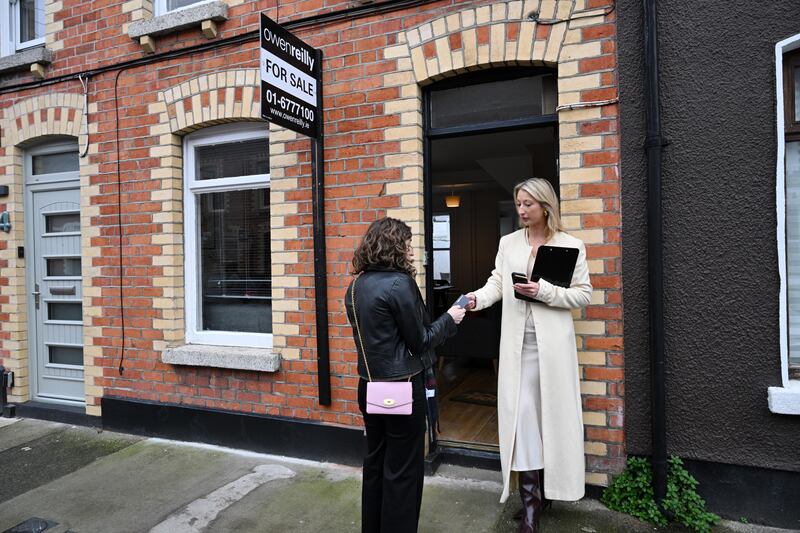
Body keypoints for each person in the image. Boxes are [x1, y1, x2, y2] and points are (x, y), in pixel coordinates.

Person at [465, 178, 592, 533]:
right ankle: (531, 504)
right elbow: (497, 283)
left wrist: (544, 291)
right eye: (518, 203)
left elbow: (583, 295)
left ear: (545, 207)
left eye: (527, 204)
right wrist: (477, 299)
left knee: (550, 419)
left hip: (552, 351)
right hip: (517, 349)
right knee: (523, 422)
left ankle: (547, 494)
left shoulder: (571, 245)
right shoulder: (508, 243)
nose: (521, 210)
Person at [345, 217, 466, 533]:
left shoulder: (355, 285)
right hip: (401, 390)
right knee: (403, 472)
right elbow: (422, 340)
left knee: (376, 467)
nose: (413, 249)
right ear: (395, 246)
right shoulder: (400, 283)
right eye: (408, 242)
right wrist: (451, 318)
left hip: (369, 387)